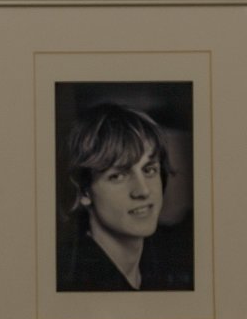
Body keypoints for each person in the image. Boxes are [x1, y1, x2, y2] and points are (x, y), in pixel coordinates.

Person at [56, 102, 194, 292]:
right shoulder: (72, 282)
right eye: (118, 176)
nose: (143, 191)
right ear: (84, 192)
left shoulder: (171, 263)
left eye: (149, 170)